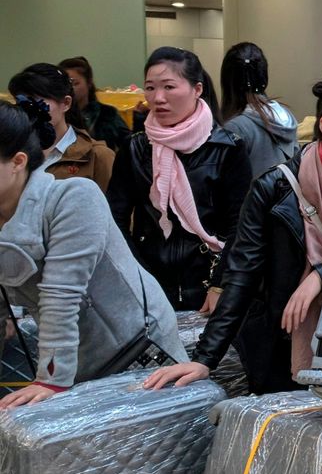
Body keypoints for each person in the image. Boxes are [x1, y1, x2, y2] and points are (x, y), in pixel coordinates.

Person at [143, 80, 322, 396]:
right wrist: (205, 359)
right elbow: (242, 273)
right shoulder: (274, 187)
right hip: (283, 340)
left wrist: (321, 275)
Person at [0, 100, 184, 409]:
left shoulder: (73, 197)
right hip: (77, 355)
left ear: (18, 162)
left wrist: (50, 379)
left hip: (138, 346)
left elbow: (61, 294)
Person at [106, 47, 252, 313]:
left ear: (197, 89)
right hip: (148, 283)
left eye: (169, 87)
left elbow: (239, 226)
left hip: (209, 283)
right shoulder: (136, 148)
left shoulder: (227, 148)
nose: (158, 98)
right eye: (150, 88)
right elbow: (114, 219)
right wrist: (138, 277)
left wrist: (220, 284)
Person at [7, 63, 114, 192]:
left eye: (36, 100)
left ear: (66, 103)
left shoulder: (98, 156)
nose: (28, 108)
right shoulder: (10, 152)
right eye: (21, 101)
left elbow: (113, 209)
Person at [219, 42, 299, 178]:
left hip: (250, 199)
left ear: (227, 80)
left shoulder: (235, 127)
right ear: (264, 77)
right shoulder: (285, 116)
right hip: (285, 198)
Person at [57, 56, 132, 152]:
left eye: (74, 83)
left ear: (89, 83)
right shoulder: (57, 116)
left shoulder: (107, 113)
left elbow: (129, 146)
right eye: (64, 84)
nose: (69, 88)